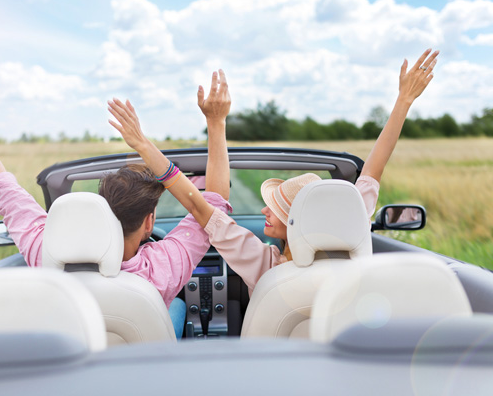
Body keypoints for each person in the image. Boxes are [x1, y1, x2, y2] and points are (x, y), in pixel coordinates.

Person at [0, 63, 232, 338]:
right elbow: (212, 206)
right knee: (176, 308)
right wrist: (216, 123)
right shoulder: (162, 268)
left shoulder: (42, 251)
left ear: (102, 210)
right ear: (149, 222)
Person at [108, 48, 438, 295]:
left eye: (278, 207)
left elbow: (200, 205)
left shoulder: (265, 266)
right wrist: (403, 102)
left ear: (298, 222)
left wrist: (145, 143)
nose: (266, 208)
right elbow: (373, 170)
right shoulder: (352, 225)